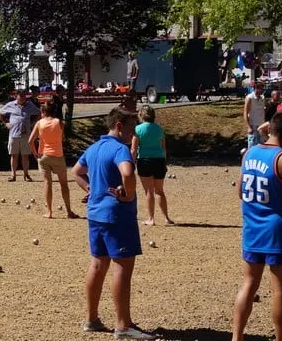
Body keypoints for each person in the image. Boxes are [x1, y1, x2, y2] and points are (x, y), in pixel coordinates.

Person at [231, 111, 282, 341]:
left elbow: (240, 191)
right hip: (278, 230)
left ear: (270, 129)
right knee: (280, 291)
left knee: (248, 284)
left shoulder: (249, 153)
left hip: (252, 228)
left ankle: (237, 337)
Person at [73, 107, 154, 339]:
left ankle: (92, 319)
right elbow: (127, 173)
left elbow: (76, 171)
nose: (133, 134)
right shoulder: (120, 149)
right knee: (122, 268)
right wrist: (128, 195)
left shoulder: (94, 147)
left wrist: (90, 189)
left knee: (98, 265)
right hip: (117, 216)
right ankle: (123, 325)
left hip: (95, 215)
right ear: (119, 126)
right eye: (131, 128)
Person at [28, 102, 77, 219]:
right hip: (58, 155)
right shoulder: (60, 122)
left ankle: (49, 212)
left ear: (43, 112)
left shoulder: (39, 123)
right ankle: (69, 211)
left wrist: (35, 154)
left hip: (44, 155)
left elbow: (30, 141)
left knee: (47, 183)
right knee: (64, 184)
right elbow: (62, 137)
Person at [130, 106, 174, 226]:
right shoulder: (159, 129)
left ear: (141, 115)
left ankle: (151, 219)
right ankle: (166, 218)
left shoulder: (137, 129)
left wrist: (130, 163)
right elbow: (163, 148)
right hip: (159, 160)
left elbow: (133, 149)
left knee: (148, 191)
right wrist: (164, 162)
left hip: (145, 161)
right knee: (159, 190)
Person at [0, 90, 35, 182]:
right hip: (14, 134)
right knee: (14, 155)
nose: (22, 99)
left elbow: (38, 112)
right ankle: (13, 175)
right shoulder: (10, 105)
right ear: (16, 97)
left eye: (23, 97)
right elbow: (0, 112)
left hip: (26, 134)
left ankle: (26, 175)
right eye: (20, 97)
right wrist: (5, 123)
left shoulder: (30, 105)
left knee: (25, 155)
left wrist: (33, 123)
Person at [244, 81, 267, 149]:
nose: (262, 91)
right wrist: (248, 127)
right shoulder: (249, 98)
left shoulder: (263, 97)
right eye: (261, 89)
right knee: (252, 146)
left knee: (262, 145)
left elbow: (263, 109)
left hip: (261, 124)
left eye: (263, 89)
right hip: (253, 125)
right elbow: (245, 112)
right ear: (255, 88)